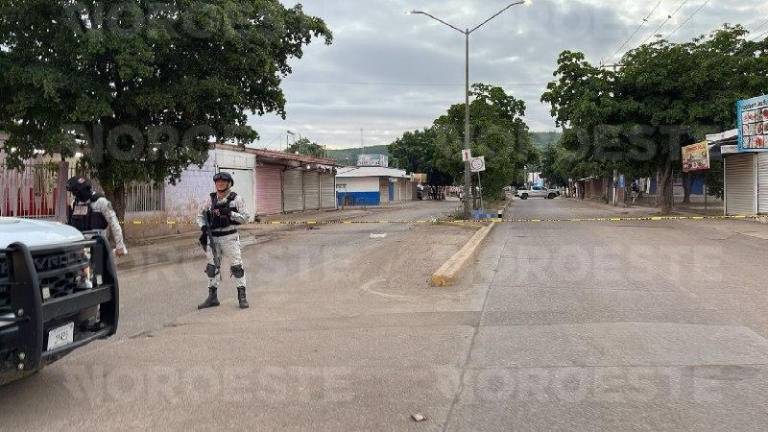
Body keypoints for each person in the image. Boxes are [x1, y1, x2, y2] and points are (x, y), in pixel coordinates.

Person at [197, 172, 251, 310]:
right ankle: (212, 297)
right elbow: (199, 216)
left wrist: (230, 213)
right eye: (217, 182)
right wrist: (203, 227)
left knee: (237, 267)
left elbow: (245, 218)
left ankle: (242, 296)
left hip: (230, 237)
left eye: (223, 181)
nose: (219, 183)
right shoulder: (210, 199)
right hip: (213, 238)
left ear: (229, 183)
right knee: (212, 267)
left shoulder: (236, 199)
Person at [65, 176, 128, 256]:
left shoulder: (101, 202)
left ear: (83, 191)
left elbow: (114, 223)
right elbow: (71, 226)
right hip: (80, 248)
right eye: (74, 193)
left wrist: (120, 245)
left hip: (97, 247)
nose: (75, 195)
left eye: (76, 192)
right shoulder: (74, 203)